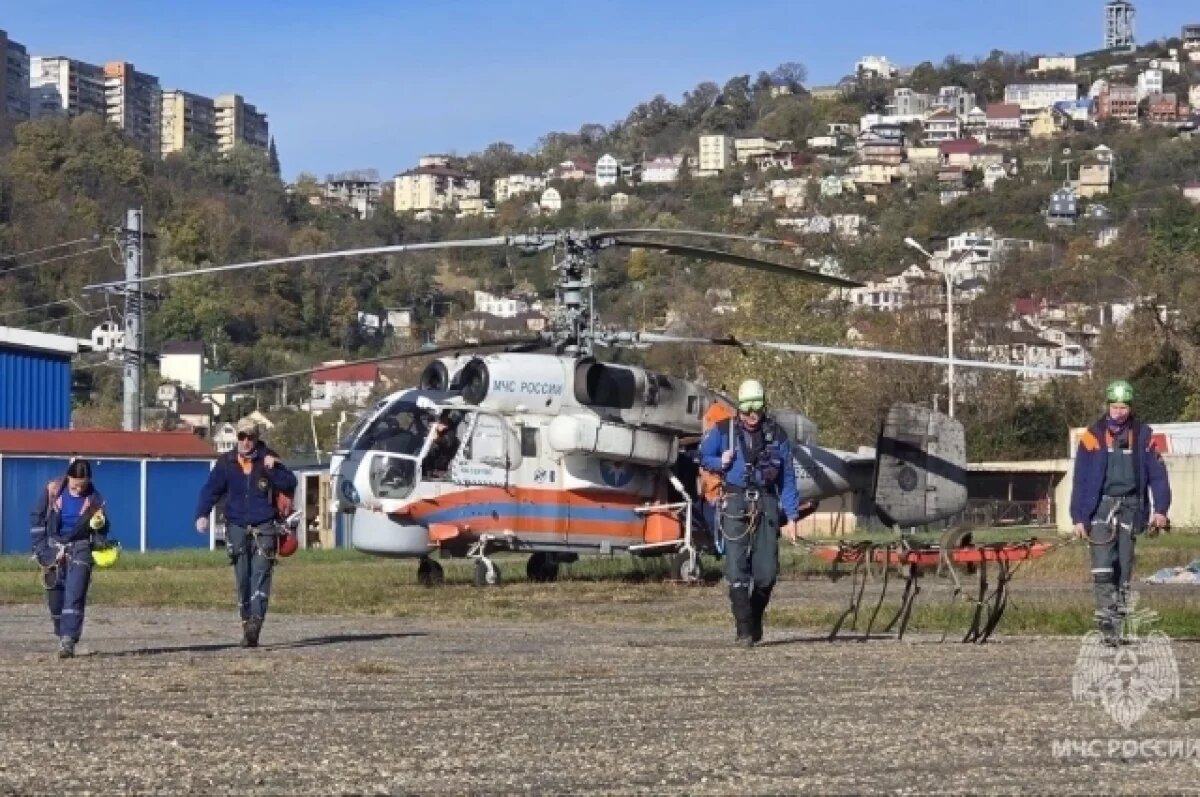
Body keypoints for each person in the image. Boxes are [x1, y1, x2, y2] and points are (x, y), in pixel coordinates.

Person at [700, 379, 803, 647]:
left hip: (767, 502)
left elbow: (788, 478)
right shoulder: (723, 431)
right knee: (736, 568)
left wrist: (792, 516)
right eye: (747, 409)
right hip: (734, 501)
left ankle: (754, 618)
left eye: (757, 408)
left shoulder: (777, 435)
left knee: (767, 573)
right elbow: (702, 456)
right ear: (740, 409)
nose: (752, 415)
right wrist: (718, 461)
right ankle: (744, 629)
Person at [1070, 379, 1171, 645]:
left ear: (1130, 407)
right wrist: (1079, 517)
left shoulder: (1145, 436)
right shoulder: (1092, 436)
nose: (1118, 412)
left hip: (1131, 508)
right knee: (1103, 568)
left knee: (1123, 570)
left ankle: (1120, 625)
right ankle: (1108, 629)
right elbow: (1080, 479)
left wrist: (1160, 509)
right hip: (1100, 508)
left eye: (1123, 407)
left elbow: (1158, 476)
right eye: (1114, 406)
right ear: (1107, 406)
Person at [195, 416, 298, 648]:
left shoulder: (269, 459)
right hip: (237, 528)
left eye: (250, 437)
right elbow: (210, 490)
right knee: (243, 579)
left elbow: (290, 483)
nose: (246, 441)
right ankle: (246, 625)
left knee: (260, 576)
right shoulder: (226, 462)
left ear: (257, 438)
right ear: (237, 438)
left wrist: (274, 469)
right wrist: (202, 514)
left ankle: (256, 625)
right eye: (242, 436)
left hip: (264, 528)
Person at [30, 459, 110, 658]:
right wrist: (40, 548)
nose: (78, 488)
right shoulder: (52, 491)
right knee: (55, 598)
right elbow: (37, 517)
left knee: (74, 595)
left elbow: (102, 530)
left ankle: (68, 640)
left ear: (89, 480)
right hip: (52, 548)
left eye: (82, 484)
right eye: (75, 483)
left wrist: (100, 531)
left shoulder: (95, 501)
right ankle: (61, 633)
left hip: (81, 548)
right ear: (68, 477)